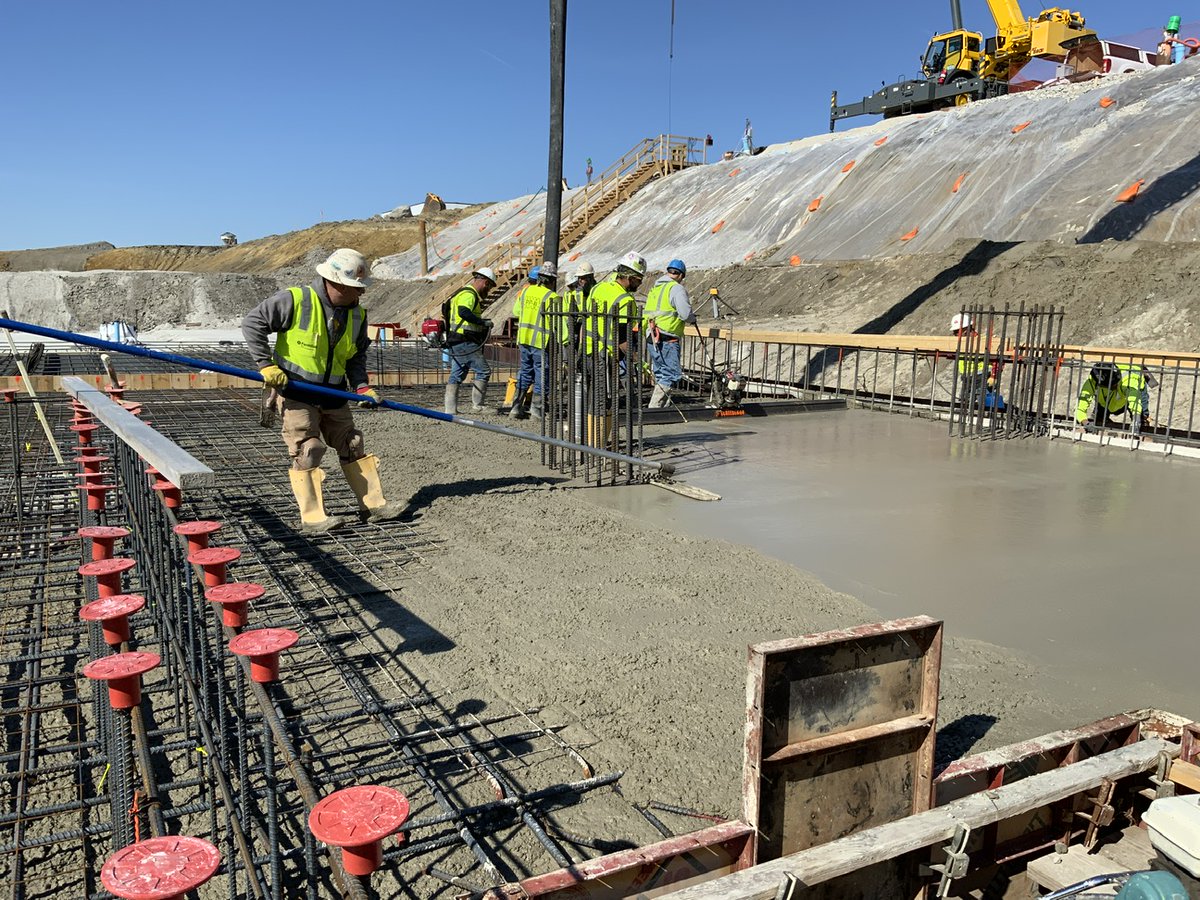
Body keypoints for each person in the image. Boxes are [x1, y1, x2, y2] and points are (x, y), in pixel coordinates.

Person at [243, 248, 402, 533]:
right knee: (309, 449)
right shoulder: (296, 300)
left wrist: (362, 386)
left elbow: (355, 356)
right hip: (296, 392)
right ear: (337, 283)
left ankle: (374, 507)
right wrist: (265, 365)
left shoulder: (357, 315)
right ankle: (313, 517)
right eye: (356, 288)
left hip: (334, 393)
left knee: (352, 444)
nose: (361, 294)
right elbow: (253, 322)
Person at [642, 258, 697, 408]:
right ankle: (654, 409)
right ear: (680, 275)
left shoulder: (656, 289)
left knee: (661, 374)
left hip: (652, 337)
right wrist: (693, 318)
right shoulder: (676, 288)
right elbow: (685, 314)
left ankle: (661, 409)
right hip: (667, 338)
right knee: (670, 374)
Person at [444, 267, 497, 414]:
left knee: (457, 373)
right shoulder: (469, 294)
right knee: (484, 371)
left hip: (456, 339)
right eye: (489, 286)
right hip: (465, 340)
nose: (488, 290)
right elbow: (464, 312)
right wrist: (482, 323)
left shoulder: (462, 292)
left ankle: (450, 409)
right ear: (485, 282)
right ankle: (478, 406)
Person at [509, 262, 559, 420]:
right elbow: (559, 324)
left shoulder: (525, 292)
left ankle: (515, 408)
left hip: (523, 339)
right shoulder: (552, 297)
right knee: (541, 374)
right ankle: (536, 410)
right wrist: (565, 341)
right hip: (540, 341)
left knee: (525, 372)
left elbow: (516, 311)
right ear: (551, 281)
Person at [1075, 362, 1153, 432]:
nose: (1114, 387)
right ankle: (1101, 418)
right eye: (1112, 387)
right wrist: (1085, 422)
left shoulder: (1129, 379)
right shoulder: (1093, 380)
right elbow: (1081, 404)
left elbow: (1134, 400)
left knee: (1141, 418)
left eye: (1115, 385)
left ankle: (1142, 422)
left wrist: (1136, 418)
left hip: (1131, 394)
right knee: (1099, 420)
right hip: (1106, 401)